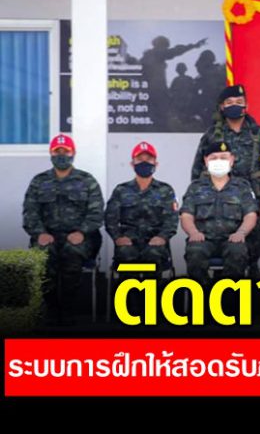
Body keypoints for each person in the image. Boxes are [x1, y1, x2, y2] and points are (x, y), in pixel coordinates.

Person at [191, 84, 260, 277]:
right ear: (222, 107)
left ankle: (252, 272)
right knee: (223, 243)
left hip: (254, 197)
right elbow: (198, 168)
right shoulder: (212, 134)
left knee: (254, 240)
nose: (235, 105)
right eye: (230, 102)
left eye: (239, 102)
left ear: (246, 105)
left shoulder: (258, 133)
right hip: (220, 197)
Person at [22, 134, 104, 323]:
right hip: (47, 236)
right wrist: (40, 233)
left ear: (73, 153)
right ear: (51, 154)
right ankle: (50, 308)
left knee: (72, 253)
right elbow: (30, 212)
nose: (61, 155)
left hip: (80, 238)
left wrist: (81, 232)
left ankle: (68, 309)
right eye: (57, 151)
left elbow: (96, 213)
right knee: (43, 257)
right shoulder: (39, 181)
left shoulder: (87, 180)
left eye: (65, 151)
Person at [180, 142, 257, 286]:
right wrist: (193, 232)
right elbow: (186, 215)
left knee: (237, 252)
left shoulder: (242, 187)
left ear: (232, 160)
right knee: (195, 252)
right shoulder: (196, 187)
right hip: (203, 239)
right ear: (206, 161)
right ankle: (202, 295)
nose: (219, 161)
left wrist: (241, 233)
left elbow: (251, 215)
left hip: (232, 238)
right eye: (213, 158)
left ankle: (228, 296)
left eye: (223, 157)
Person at [105, 141, 178, 275]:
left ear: (156, 164)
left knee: (153, 255)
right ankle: (129, 288)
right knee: (126, 255)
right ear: (132, 164)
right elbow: (110, 218)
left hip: (155, 241)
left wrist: (162, 237)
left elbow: (171, 220)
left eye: (148, 159)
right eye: (139, 159)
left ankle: (151, 289)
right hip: (128, 241)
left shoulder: (165, 190)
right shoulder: (121, 190)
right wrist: (118, 237)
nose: (144, 162)